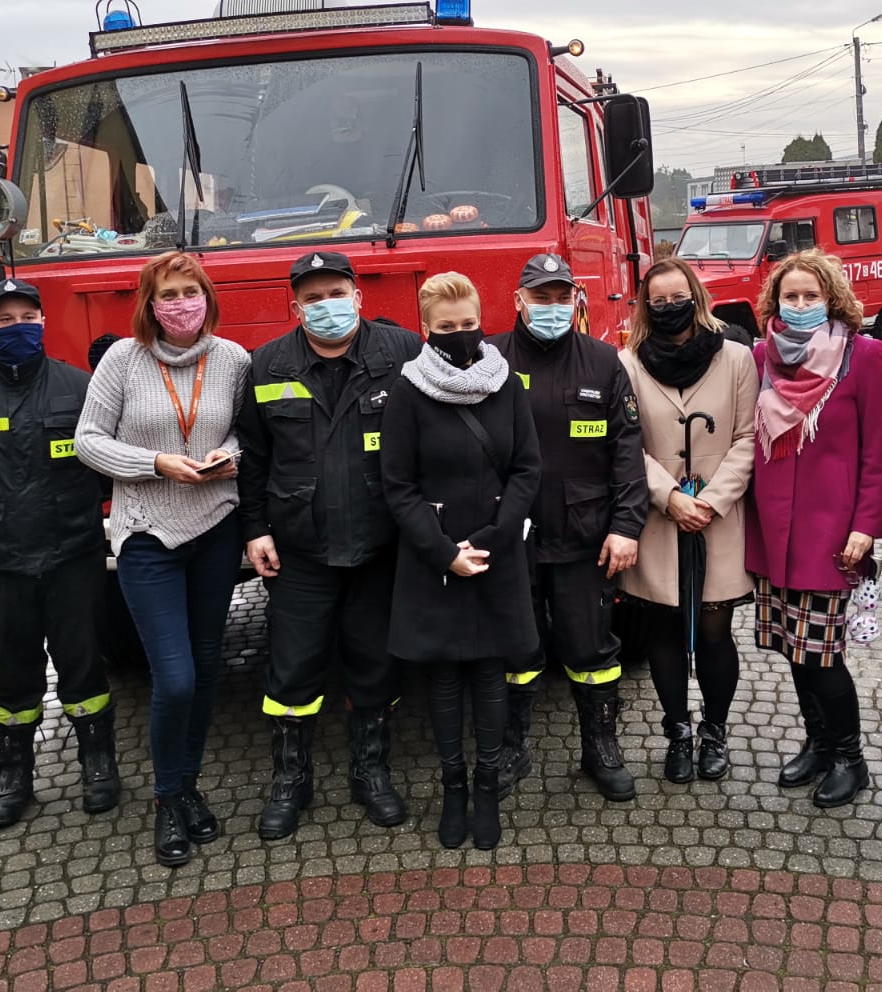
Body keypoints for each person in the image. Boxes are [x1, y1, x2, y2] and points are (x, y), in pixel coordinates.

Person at [236, 251, 422, 841]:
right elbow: (254, 459)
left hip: (380, 547)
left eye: (335, 293)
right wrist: (255, 528)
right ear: (295, 306)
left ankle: (372, 773)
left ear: (359, 295)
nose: (326, 307)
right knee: (291, 671)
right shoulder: (266, 366)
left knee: (375, 667)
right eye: (312, 298)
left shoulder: (403, 355)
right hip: (300, 552)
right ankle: (291, 780)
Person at [75, 251, 250, 866]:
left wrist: (225, 457)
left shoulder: (233, 361)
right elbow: (88, 441)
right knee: (173, 678)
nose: (181, 305)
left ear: (209, 298)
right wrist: (154, 463)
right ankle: (166, 797)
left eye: (191, 292)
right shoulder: (123, 360)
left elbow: (245, 433)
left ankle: (188, 787)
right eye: (168, 295)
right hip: (147, 533)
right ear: (149, 305)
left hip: (215, 528)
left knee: (205, 672)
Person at [0, 279, 119, 830]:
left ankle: (98, 764)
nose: (16, 327)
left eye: (26, 316)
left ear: (42, 322)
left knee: (83, 662)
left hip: (72, 555)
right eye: (3, 319)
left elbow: (108, 465)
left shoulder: (81, 389)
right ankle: (13, 775)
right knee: (12, 672)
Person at [379, 273, 541, 851]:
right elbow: (396, 484)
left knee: (492, 670)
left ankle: (488, 784)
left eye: (469, 325)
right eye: (447, 328)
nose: (460, 335)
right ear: (426, 330)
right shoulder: (408, 391)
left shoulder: (507, 384)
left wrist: (495, 541)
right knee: (444, 675)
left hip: (497, 551)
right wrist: (445, 552)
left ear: (482, 320)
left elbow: (526, 468)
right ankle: (453, 786)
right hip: (434, 555)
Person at [488, 254, 645, 803]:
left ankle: (600, 748)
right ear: (518, 301)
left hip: (586, 535)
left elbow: (627, 452)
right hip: (510, 537)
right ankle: (511, 747)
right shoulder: (491, 360)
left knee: (591, 648)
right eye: (541, 297)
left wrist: (626, 526)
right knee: (516, 648)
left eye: (561, 298)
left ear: (575, 302)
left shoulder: (603, 362)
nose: (551, 308)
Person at [742, 251, 882, 809]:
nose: (800, 306)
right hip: (773, 528)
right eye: (791, 297)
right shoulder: (761, 357)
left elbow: (876, 451)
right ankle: (819, 743)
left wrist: (865, 526)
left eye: (811, 296)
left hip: (831, 533)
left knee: (822, 655)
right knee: (792, 648)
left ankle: (851, 759)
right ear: (774, 302)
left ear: (832, 299)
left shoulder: (863, 356)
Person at [618, 259, 757, 783]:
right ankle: (677, 729)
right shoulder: (627, 362)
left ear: (696, 298)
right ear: (646, 306)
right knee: (662, 630)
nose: (669, 306)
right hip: (659, 516)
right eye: (658, 300)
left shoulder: (738, 357)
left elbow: (747, 438)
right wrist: (669, 496)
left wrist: (712, 500)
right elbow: (626, 443)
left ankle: (715, 730)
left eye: (678, 296)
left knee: (717, 631)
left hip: (718, 516)